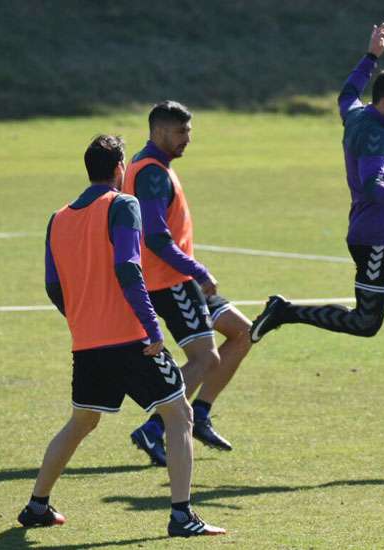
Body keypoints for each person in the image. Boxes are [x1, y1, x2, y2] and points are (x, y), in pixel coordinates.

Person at [17, 135, 224, 537]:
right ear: (119, 169)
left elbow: (52, 286)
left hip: (88, 343)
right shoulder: (122, 204)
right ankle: (182, 517)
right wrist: (152, 328)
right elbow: (129, 270)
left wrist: (81, 319)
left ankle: (37, 505)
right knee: (179, 413)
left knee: (82, 421)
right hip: (132, 340)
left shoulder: (57, 218)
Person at [249, 23, 384, 343]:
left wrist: (371, 55)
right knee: (365, 323)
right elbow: (371, 186)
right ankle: (284, 311)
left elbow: (347, 92)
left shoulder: (357, 114)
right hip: (376, 239)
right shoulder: (376, 136)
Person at [124, 101, 252, 467]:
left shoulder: (149, 165)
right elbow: (155, 237)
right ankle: (154, 428)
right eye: (181, 132)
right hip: (170, 281)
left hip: (178, 280)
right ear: (160, 132)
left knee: (242, 333)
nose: (187, 140)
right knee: (204, 358)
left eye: (189, 132)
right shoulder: (151, 173)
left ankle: (201, 414)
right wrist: (198, 270)